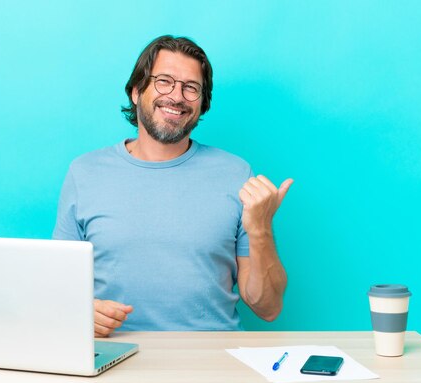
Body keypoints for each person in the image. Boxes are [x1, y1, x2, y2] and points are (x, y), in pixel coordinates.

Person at [53, 35, 293, 337]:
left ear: (202, 104)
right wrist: (81, 311)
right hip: (112, 355)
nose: (177, 96)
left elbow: (268, 308)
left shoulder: (236, 172)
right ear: (137, 92)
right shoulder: (84, 172)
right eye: (164, 81)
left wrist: (260, 228)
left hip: (212, 361)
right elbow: (59, 289)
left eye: (191, 88)